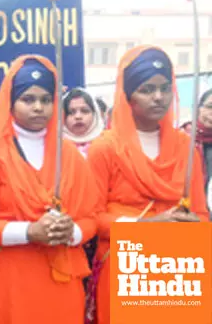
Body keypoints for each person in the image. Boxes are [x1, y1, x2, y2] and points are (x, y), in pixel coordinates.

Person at [0, 55, 97, 324]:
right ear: (11, 102)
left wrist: (70, 231)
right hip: (10, 279)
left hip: (62, 280)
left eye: (46, 99)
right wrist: (30, 231)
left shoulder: (71, 156)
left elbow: (91, 218)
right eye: (28, 99)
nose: (38, 107)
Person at [88, 46, 209, 324]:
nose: (158, 97)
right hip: (124, 263)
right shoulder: (106, 148)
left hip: (175, 265)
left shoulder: (186, 147)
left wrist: (190, 225)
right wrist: (149, 228)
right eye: (147, 89)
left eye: (165, 88)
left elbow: (201, 214)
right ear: (128, 96)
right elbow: (92, 218)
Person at [63, 88, 105, 157]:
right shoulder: (55, 149)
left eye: (85, 111)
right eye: (71, 112)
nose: (78, 116)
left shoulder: (109, 144)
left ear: (95, 115)